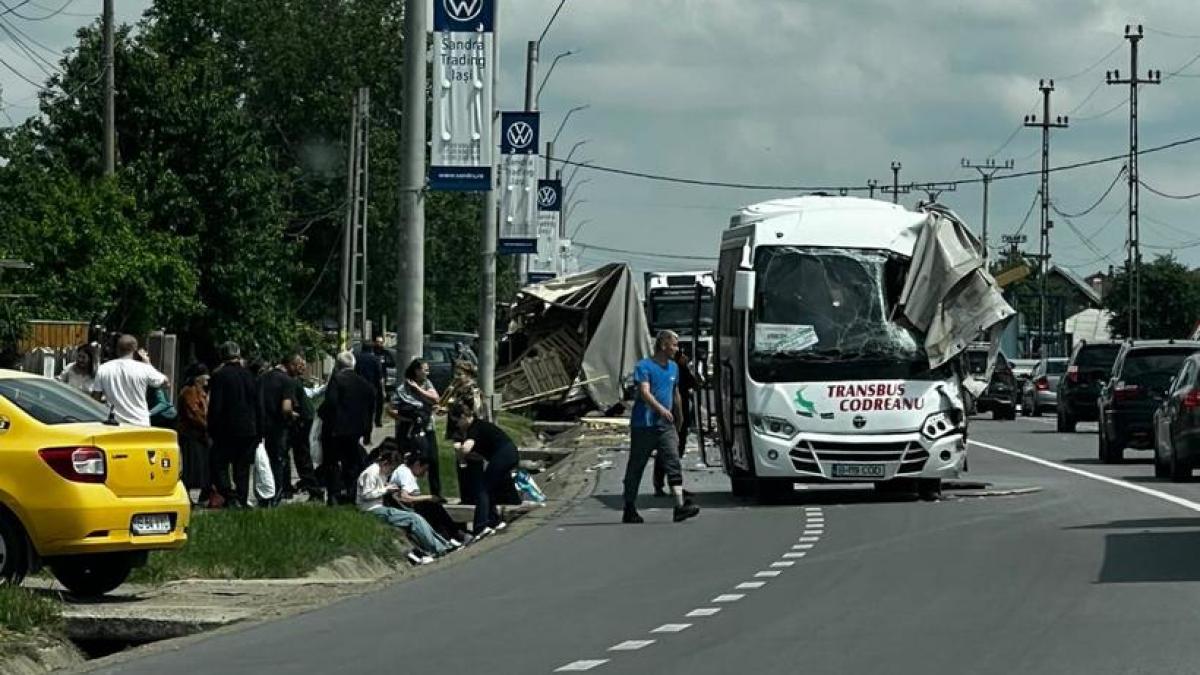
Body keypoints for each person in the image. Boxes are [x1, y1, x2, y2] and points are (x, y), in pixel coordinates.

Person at [623, 330, 699, 525]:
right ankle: (629, 507)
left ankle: (679, 506)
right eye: (674, 345)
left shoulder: (674, 368)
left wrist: (680, 416)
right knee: (636, 466)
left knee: (673, 461)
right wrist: (661, 409)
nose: (676, 349)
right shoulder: (644, 366)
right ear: (663, 345)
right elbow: (644, 392)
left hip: (666, 426)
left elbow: (675, 394)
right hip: (644, 425)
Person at [356, 449, 451, 563]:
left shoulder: (382, 473)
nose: (390, 472)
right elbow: (366, 494)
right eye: (391, 469)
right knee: (414, 519)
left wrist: (389, 488)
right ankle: (438, 548)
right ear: (385, 463)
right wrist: (385, 490)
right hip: (370, 509)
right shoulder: (371, 473)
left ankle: (443, 545)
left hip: (380, 507)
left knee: (416, 517)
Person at [452, 404, 519, 538]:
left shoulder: (474, 427)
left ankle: (480, 527)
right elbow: (479, 453)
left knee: (483, 489)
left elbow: (466, 448)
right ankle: (494, 521)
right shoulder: (479, 426)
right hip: (509, 453)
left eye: (457, 421)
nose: (457, 425)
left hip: (503, 454)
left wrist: (460, 451)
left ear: (464, 417)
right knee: (492, 486)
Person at [207, 341, 261, 508]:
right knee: (242, 467)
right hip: (249, 429)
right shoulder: (250, 375)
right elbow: (258, 404)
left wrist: (211, 428)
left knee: (218, 464)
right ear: (238, 354)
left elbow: (216, 405)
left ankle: (229, 496)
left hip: (226, 429)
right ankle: (242, 498)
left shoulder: (219, 376)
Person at [319, 351, 376, 505]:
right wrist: (368, 432)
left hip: (335, 430)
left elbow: (330, 403)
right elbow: (371, 410)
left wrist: (323, 415)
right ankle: (351, 494)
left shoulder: (337, 380)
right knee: (352, 463)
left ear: (337, 365)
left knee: (332, 463)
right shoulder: (365, 384)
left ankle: (334, 495)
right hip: (356, 431)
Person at [389, 449, 470, 545]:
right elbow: (404, 497)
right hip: (403, 508)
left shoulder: (404, 470)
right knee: (434, 508)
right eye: (424, 469)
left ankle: (451, 536)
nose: (425, 473)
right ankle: (457, 535)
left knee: (434, 507)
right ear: (417, 464)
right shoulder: (406, 474)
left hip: (404, 505)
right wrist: (429, 497)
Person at [91, 335, 169, 427]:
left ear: (117, 349)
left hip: (114, 424)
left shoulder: (104, 369)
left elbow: (95, 399)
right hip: (140, 423)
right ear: (135, 349)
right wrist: (148, 364)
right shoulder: (144, 368)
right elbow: (166, 383)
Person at [654, 348, 699, 497]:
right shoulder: (675, 370)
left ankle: (672, 485)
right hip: (673, 416)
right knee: (670, 452)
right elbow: (693, 383)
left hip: (678, 416)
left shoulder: (671, 369)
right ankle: (666, 485)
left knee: (672, 452)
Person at [398, 358, 443, 498]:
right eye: (425, 369)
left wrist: (418, 389)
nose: (428, 372)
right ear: (417, 371)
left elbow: (436, 398)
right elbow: (392, 409)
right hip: (411, 429)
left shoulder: (426, 383)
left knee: (433, 460)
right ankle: (408, 490)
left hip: (428, 427)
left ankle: (437, 493)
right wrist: (409, 418)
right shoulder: (403, 388)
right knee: (413, 460)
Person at [260, 355, 300, 506]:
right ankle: (276, 495)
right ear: (289, 365)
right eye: (296, 366)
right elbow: (286, 407)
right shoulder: (287, 381)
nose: (298, 369)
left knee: (264, 462)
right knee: (278, 460)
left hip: (262, 426)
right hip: (278, 427)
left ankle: (263, 495)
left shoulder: (263, 378)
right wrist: (293, 415)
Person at [287, 355, 323, 501]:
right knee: (301, 456)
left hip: (302, 420)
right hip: (306, 417)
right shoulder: (295, 381)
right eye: (300, 365)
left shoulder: (292, 381)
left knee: (302, 456)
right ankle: (310, 487)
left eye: (303, 365)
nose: (303, 368)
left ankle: (314, 490)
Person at [177, 364, 211, 501]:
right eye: (205, 375)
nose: (208, 378)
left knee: (199, 465)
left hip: (199, 435)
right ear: (197, 378)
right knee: (191, 466)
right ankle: (186, 495)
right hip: (191, 434)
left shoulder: (200, 391)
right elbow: (194, 413)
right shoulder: (189, 391)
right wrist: (207, 425)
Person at [355, 342, 385, 428]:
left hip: (358, 388)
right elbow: (380, 377)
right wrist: (383, 391)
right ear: (371, 349)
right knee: (371, 410)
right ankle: (367, 434)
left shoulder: (356, 358)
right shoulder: (375, 359)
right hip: (372, 388)